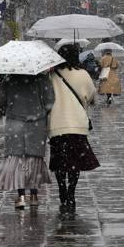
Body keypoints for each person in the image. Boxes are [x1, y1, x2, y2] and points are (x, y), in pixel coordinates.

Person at [48, 44, 100, 213]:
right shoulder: (83, 74)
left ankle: (62, 190)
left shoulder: (52, 75)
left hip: (57, 124)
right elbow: (91, 94)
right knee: (75, 162)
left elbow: (47, 97)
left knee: (60, 162)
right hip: (77, 123)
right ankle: (71, 192)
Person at [0, 71, 54, 209]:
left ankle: (21, 196)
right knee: (35, 158)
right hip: (37, 123)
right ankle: (34, 195)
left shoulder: (9, 79)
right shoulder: (42, 79)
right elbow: (49, 101)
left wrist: (7, 112)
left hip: (15, 123)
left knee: (18, 158)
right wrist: (40, 112)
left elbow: (2, 101)